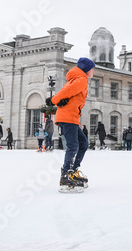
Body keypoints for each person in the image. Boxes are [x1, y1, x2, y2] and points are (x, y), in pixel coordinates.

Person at [49, 57, 95, 190]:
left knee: (83, 143)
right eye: (92, 69)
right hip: (68, 118)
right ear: (86, 70)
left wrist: (59, 100)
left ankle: (72, 171)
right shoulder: (81, 80)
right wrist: (54, 100)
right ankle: (66, 175)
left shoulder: (75, 80)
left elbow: (67, 94)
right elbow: (65, 93)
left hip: (71, 117)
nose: (93, 71)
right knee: (73, 146)